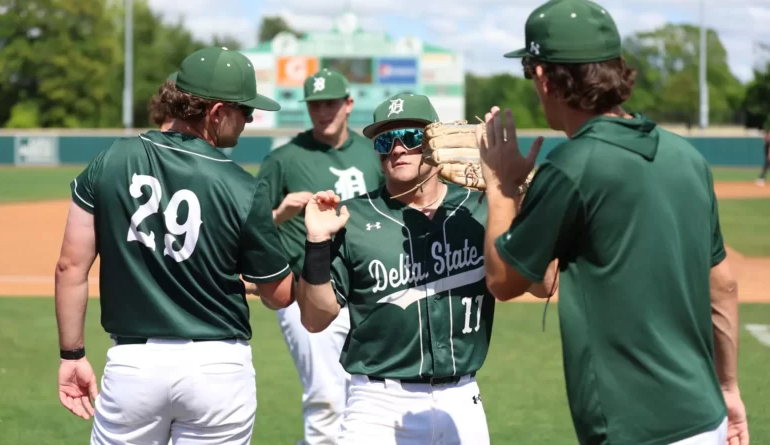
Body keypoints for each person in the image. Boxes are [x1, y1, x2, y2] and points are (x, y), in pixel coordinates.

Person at [478, 1, 749, 444]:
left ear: (545, 78)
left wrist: (501, 187)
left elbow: (504, 279)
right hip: (707, 417)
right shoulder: (688, 158)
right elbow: (723, 284)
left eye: (530, 72)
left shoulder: (572, 166)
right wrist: (729, 388)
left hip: (633, 428)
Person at [53, 47, 295, 445]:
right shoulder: (243, 187)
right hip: (218, 369)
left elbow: (70, 267)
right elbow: (280, 293)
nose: (250, 120)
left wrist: (72, 356)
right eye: (245, 111)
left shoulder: (112, 159)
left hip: (134, 367)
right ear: (216, 113)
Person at [294, 92, 556, 444]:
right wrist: (316, 244)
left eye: (412, 137)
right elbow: (315, 318)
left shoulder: (480, 210)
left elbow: (546, 284)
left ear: (436, 141)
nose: (398, 149)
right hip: (377, 404)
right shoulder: (352, 217)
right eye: (386, 140)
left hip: (462, 400)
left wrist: (523, 203)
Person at [256, 68, 385, 445]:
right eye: (315, 104)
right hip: (305, 292)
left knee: (369, 392)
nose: (323, 111)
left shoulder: (372, 154)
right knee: (326, 396)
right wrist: (280, 214)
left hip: (367, 292)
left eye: (330, 103)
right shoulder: (285, 158)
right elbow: (251, 227)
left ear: (348, 104)